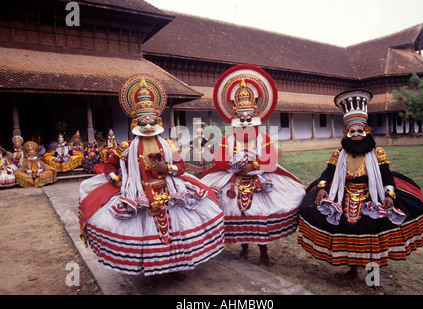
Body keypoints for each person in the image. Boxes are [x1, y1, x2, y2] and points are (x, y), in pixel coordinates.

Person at [78, 74, 224, 277]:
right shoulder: (126, 147)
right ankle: (150, 272)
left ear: (157, 120)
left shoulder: (168, 144)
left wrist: (166, 169)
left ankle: (176, 267)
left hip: (168, 190)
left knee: (176, 233)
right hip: (138, 193)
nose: (147, 126)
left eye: (151, 121)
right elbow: (109, 168)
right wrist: (117, 180)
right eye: (143, 122)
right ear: (135, 122)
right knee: (148, 237)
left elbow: (180, 167)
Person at [297, 89, 423, 284]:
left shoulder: (377, 153)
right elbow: (328, 174)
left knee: (372, 236)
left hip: (371, 197)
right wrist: (322, 188)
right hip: (345, 194)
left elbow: (386, 177)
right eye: (353, 131)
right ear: (346, 133)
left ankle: (373, 278)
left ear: (367, 131)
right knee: (348, 232)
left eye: (361, 130)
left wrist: (389, 195)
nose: (357, 134)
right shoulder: (338, 154)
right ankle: (352, 269)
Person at [200, 65, 305, 266]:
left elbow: (272, 159)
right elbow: (219, 159)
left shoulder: (263, 138)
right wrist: (234, 164)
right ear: (235, 117)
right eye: (241, 116)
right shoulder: (228, 138)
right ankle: (244, 248)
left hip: (259, 179)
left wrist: (254, 164)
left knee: (261, 214)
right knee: (236, 212)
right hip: (233, 179)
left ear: (255, 116)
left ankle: (264, 252)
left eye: (248, 116)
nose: (245, 120)